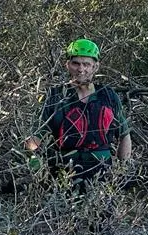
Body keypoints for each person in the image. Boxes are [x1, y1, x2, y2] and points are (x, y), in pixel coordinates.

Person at [24, 38, 132, 183]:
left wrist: (121, 172)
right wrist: (35, 169)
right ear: (67, 65)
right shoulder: (54, 96)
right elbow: (36, 137)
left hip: (102, 173)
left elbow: (124, 134)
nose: (81, 69)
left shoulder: (108, 95)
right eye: (76, 63)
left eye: (86, 64)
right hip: (63, 173)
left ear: (95, 66)